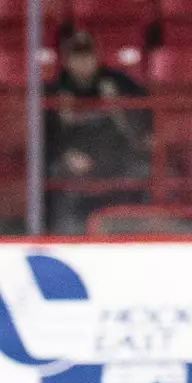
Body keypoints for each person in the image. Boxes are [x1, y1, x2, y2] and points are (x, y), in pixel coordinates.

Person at [45, 29, 149, 234]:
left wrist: (119, 109)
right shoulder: (56, 91)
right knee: (54, 176)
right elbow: (44, 138)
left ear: (96, 57)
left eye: (88, 55)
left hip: (117, 160)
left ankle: (132, 234)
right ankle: (64, 238)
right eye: (77, 56)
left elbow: (145, 120)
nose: (83, 62)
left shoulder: (119, 83)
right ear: (67, 60)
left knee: (142, 172)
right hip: (73, 166)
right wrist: (65, 154)